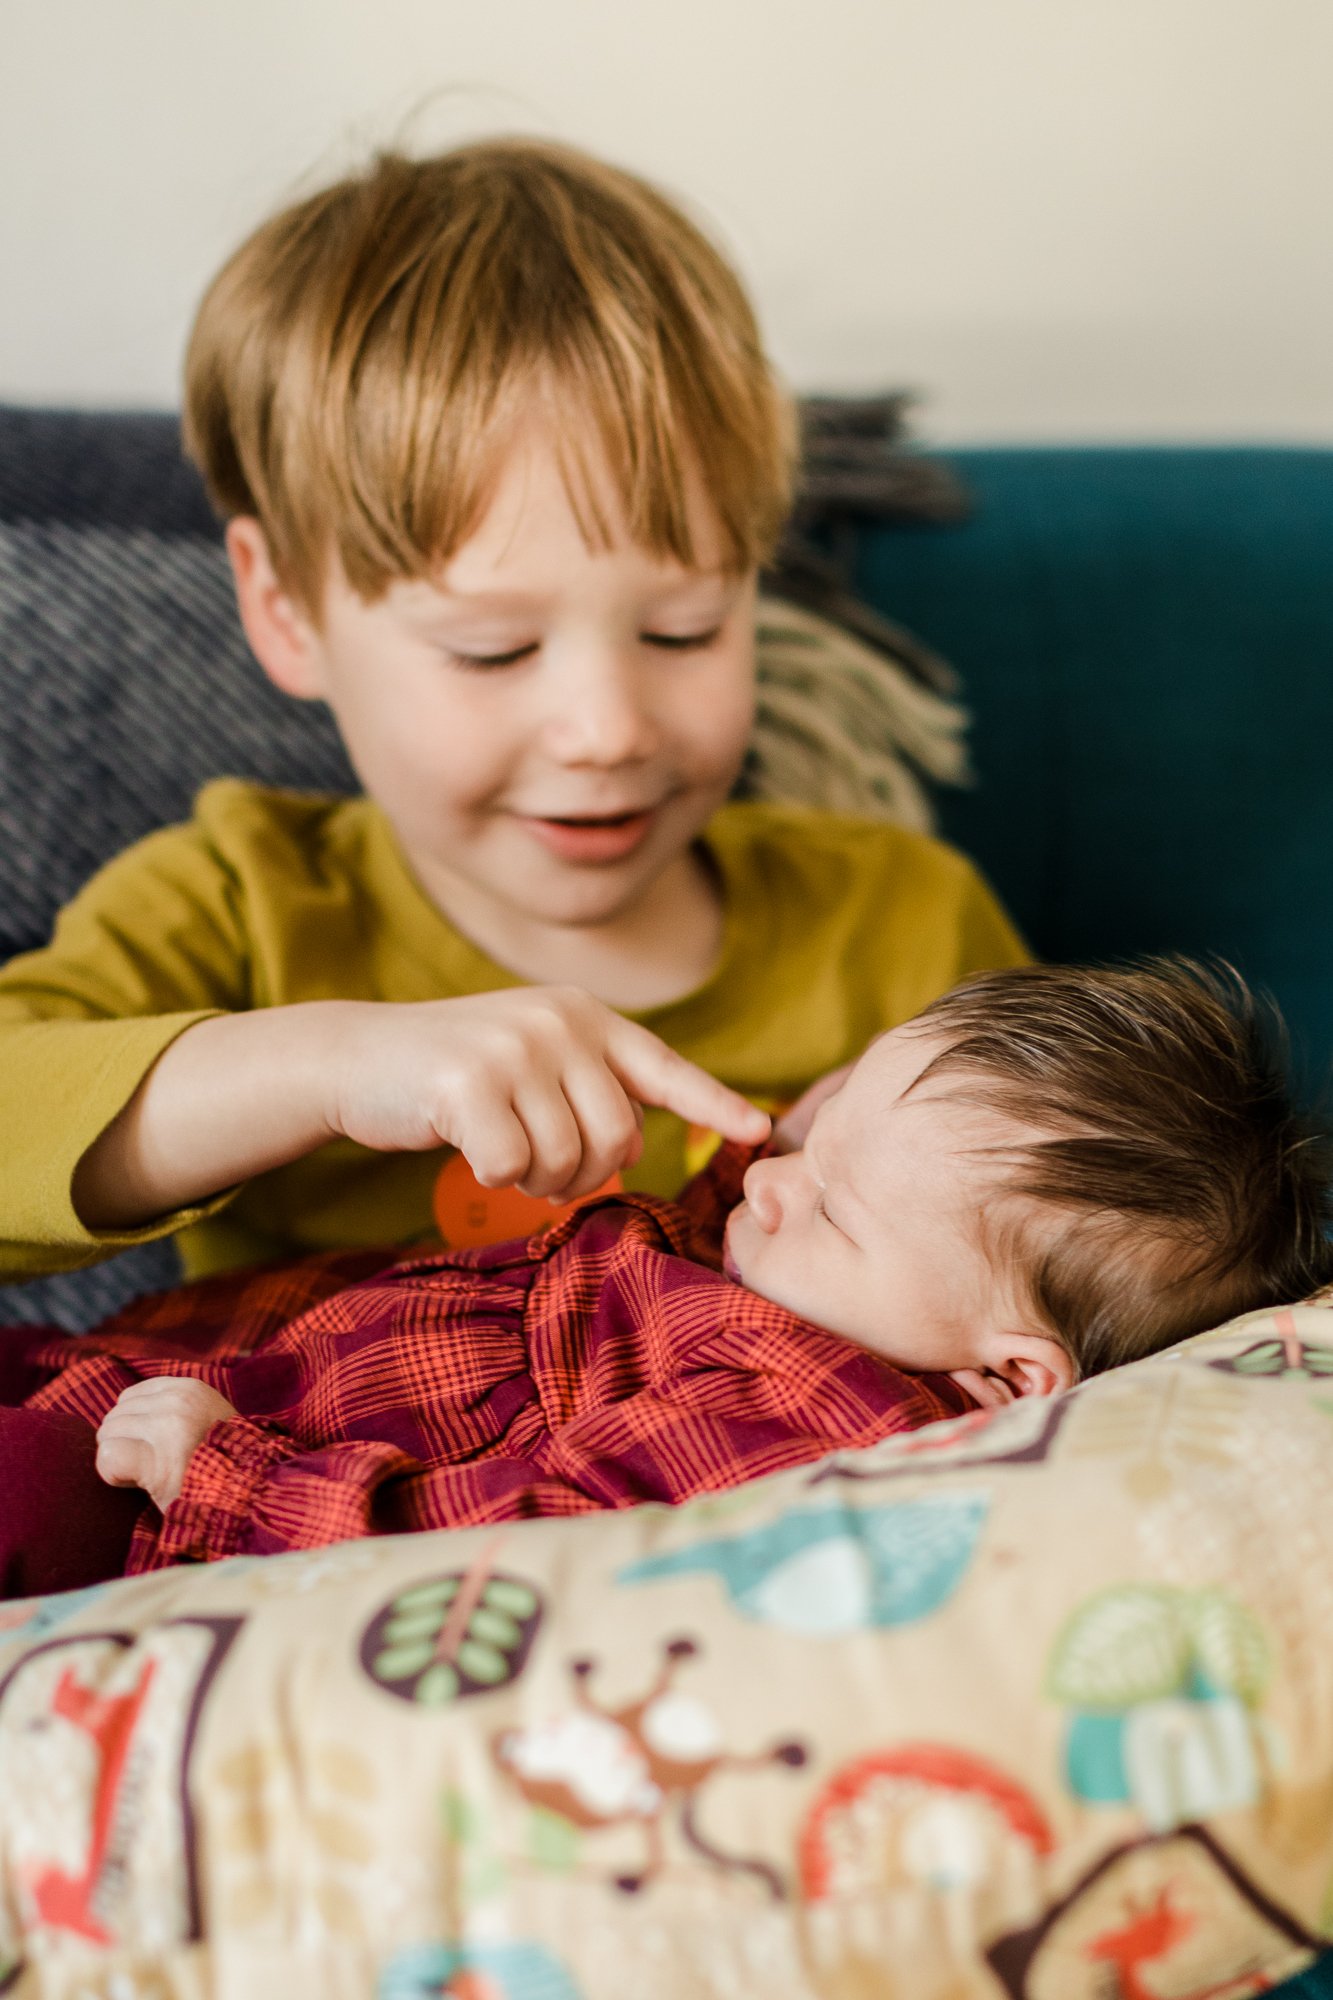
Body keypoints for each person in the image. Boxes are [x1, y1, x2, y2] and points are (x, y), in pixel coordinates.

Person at [0, 137, 1025, 1298]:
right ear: (285, 612)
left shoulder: (902, 920)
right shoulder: (240, 905)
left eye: (684, 628)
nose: (605, 730)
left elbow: (1100, 1263)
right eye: (493, 648)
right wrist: (326, 1062)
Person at [5, 958, 1329, 1597]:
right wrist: (834, 1149)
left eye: (835, 1203)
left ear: (1002, 1378)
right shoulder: (818, 1276)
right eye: (821, 1126)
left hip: (153, 1500)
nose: (773, 1175)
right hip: (144, 1363)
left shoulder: (803, 1419)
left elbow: (517, 1551)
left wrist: (229, 1482)